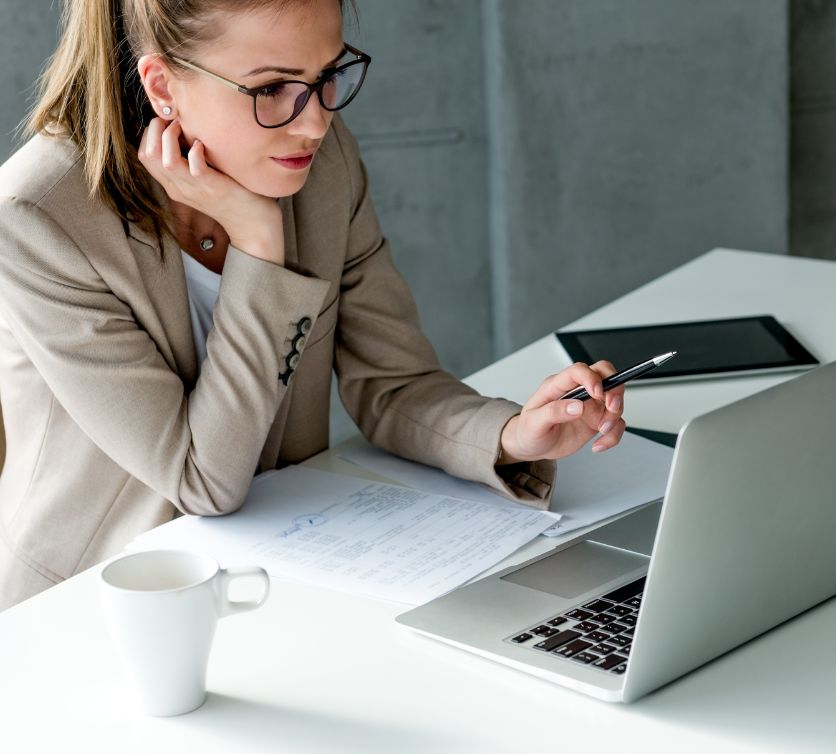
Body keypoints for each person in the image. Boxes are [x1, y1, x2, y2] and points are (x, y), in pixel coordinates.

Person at [0, 0, 626, 610]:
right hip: (98, 606)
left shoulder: (321, 166)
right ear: (162, 84)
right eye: (271, 88)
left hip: (281, 573)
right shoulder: (38, 217)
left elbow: (394, 382)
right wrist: (258, 241)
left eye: (327, 75)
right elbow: (201, 480)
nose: (316, 123)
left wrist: (513, 436)